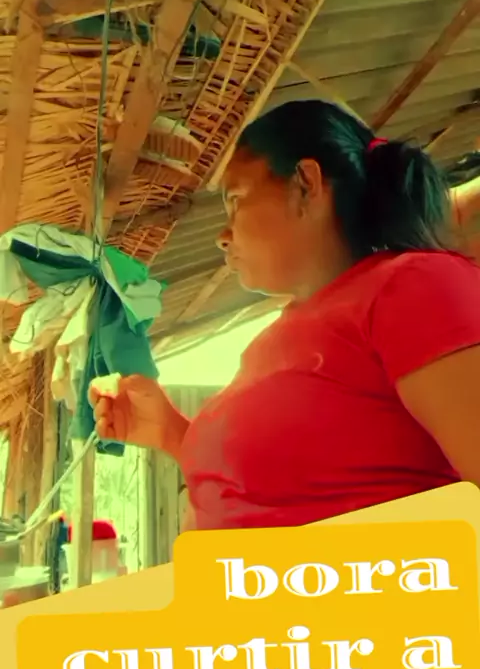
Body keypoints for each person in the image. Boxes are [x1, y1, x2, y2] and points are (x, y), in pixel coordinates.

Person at [91, 99, 480, 532]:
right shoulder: (275, 338)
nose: (222, 235)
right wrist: (170, 432)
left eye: (235, 200)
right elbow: (283, 488)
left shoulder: (414, 286)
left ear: (306, 184)